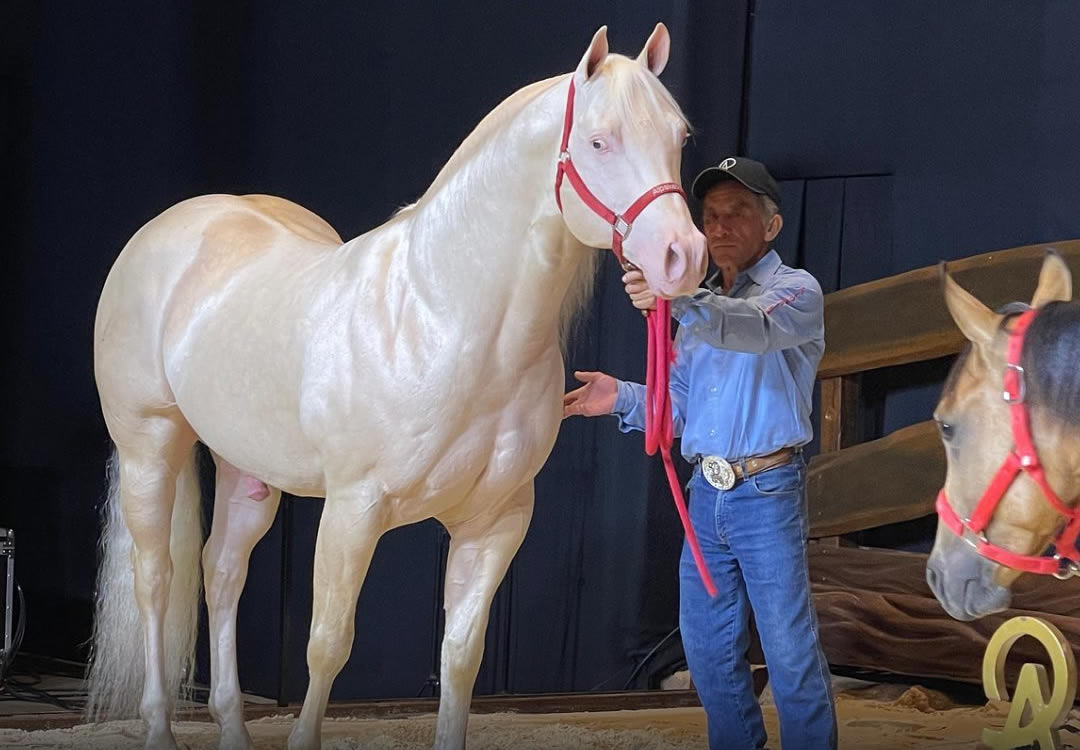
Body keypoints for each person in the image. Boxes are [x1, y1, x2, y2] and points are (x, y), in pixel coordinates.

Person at [563, 156, 837, 750]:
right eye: (710, 216)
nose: (719, 226)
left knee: (788, 649)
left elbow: (750, 327)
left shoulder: (795, 292)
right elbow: (681, 409)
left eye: (737, 213)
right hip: (704, 497)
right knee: (709, 650)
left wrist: (677, 297)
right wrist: (620, 398)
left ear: (772, 226)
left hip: (766, 493)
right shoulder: (696, 311)